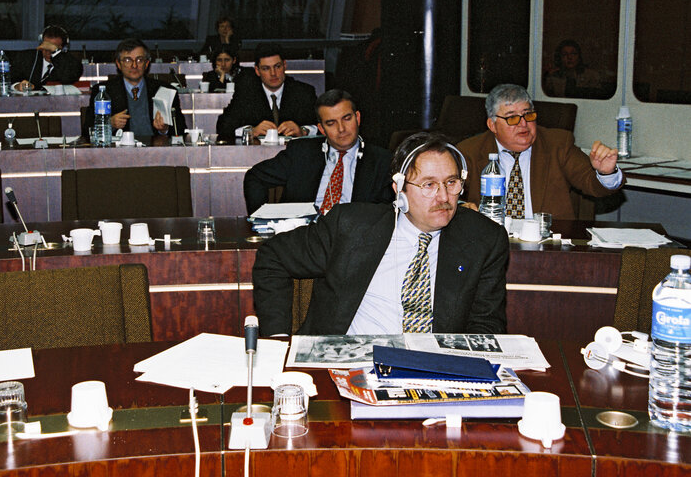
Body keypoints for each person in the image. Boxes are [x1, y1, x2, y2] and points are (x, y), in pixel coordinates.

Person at [253, 132, 509, 336]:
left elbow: (486, 326)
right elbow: (272, 257)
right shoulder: (352, 226)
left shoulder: (484, 239)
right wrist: (277, 339)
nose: (443, 197)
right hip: (348, 363)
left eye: (452, 183)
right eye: (428, 185)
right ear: (399, 189)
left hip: (434, 370)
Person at [457, 84, 624, 220]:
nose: (523, 124)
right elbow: (450, 195)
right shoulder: (469, 151)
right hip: (491, 243)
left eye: (528, 115)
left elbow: (591, 182)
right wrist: (461, 207)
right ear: (492, 125)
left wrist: (606, 173)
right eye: (512, 117)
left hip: (546, 242)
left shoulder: (557, 144)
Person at [243, 89, 394, 215]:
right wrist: (261, 221)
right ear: (321, 129)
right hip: (303, 237)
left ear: (358, 118)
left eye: (347, 119)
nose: (341, 129)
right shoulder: (301, 153)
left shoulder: (382, 161)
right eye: (331, 123)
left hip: (353, 240)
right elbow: (254, 177)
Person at [84, 38, 185, 142]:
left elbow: (181, 130)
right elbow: (87, 131)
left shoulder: (165, 90)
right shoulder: (103, 91)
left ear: (146, 64)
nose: (134, 65)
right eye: (128, 60)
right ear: (118, 64)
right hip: (118, 153)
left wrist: (165, 129)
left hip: (156, 152)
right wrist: (109, 123)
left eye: (139, 60)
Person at [216, 43, 317, 144]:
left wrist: (304, 131)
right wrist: (251, 131)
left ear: (284, 65)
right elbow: (223, 125)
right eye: (266, 68)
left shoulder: (304, 92)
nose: (273, 73)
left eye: (277, 66)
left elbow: (322, 125)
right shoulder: (246, 93)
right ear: (257, 71)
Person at [10, 25, 83, 91]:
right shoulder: (26, 58)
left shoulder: (71, 64)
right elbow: (8, 80)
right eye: (46, 47)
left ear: (64, 49)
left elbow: (70, 77)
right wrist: (16, 86)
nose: (48, 52)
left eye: (53, 48)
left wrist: (56, 53)